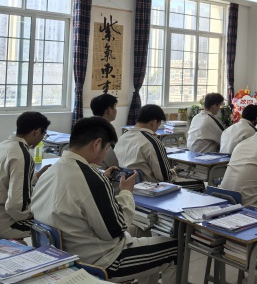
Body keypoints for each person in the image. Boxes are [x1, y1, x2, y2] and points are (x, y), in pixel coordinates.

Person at [31, 117, 178, 283]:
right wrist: (126, 193)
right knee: (175, 249)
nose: (104, 156)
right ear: (97, 144)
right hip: (102, 262)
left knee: (144, 238)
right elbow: (116, 229)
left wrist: (103, 181)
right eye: (106, 148)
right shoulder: (92, 179)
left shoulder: (50, 171)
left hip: (63, 255)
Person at [0, 112, 51, 239]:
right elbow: (15, 207)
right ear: (37, 132)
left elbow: (9, 180)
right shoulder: (22, 155)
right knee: (52, 226)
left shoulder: (4, 145)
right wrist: (31, 213)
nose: (42, 138)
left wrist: (37, 175)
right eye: (44, 134)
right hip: (6, 223)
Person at [114, 104, 174, 183]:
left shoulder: (122, 137)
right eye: (158, 125)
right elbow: (165, 176)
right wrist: (173, 172)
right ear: (154, 122)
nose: (157, 128)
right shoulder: (153, 142)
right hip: (148, 187)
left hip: (124, 185)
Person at [90, 93, 119, 168]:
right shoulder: (104, 130)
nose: (116, 110)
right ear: (109, 110)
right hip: (102, 169)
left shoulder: (90, 125)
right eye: (115, 107)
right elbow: (112, 162)